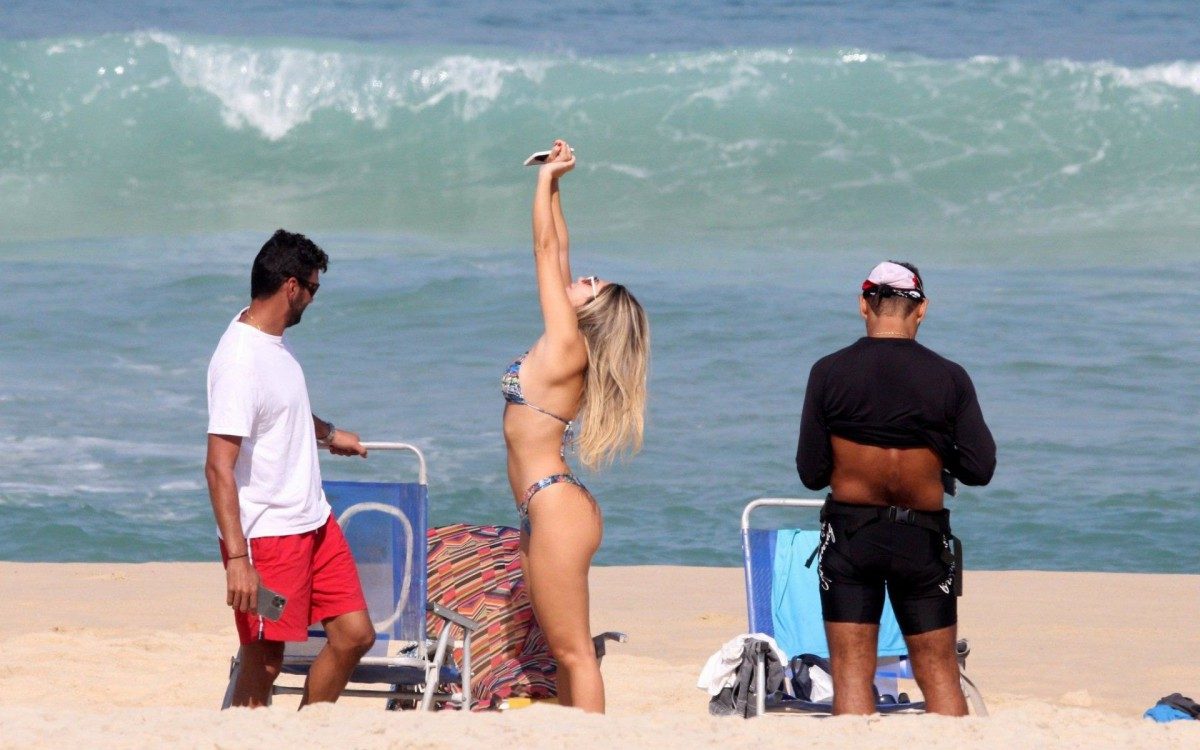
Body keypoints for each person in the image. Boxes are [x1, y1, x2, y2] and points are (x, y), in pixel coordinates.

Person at [796, 260, 996, 716]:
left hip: (851, 536)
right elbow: (979, 469)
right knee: (939, 669)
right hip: (921, 539)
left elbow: (810, 472)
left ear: (864, 304)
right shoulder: (949, 377)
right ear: (920, 309)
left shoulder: (828, 372)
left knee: (849, 670)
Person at [502, 139, 650, 713]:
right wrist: (558, 177)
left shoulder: (567, 347)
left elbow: (543, 251)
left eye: (593, 284)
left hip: (556, 507)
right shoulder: (565, 342)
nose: (582, 275)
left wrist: (540, 184)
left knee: (573, 653)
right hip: (541, 505)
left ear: (591, 315)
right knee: (562, 651)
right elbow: (558, 250)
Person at [205, 229, 376, 708]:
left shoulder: (268, 342)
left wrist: (329, 434)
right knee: (264, 658)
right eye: (314, 289)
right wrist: (238, 561)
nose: (313, 301)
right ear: (291, 287)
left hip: (314, 526)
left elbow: (282, 410)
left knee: (355, 634)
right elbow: (219, 467)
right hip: (267, 542)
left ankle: (307, 731)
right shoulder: (241, 361)